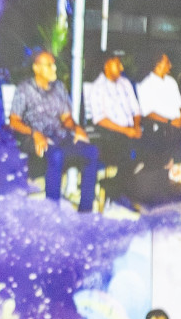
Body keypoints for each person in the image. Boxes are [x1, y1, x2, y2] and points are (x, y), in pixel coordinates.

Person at [9, 50, 99, 212]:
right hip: (34, 137)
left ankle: (86, 211)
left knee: (91, 151)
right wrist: (34, 133)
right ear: (36, 68)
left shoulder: (59, 87)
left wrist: (77, 128)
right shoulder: (24, 89)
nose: (54, 69)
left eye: (54, 65)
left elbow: (66, 118)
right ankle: (53, 211)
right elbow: (14, 121)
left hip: (59, 135)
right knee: (56, 155)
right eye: (49, 65)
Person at [87, 52, 144, 170]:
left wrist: (136, 126)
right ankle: (127, 180)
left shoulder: (125, 83)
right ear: (107, 65)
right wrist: (126, 131)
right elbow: (100, 119)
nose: (122, 68)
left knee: (153, 140)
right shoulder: (97, 88)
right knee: (122, 147)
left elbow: (136, 109)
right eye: (118, 64)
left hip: (131, 129)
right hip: (112, 132)